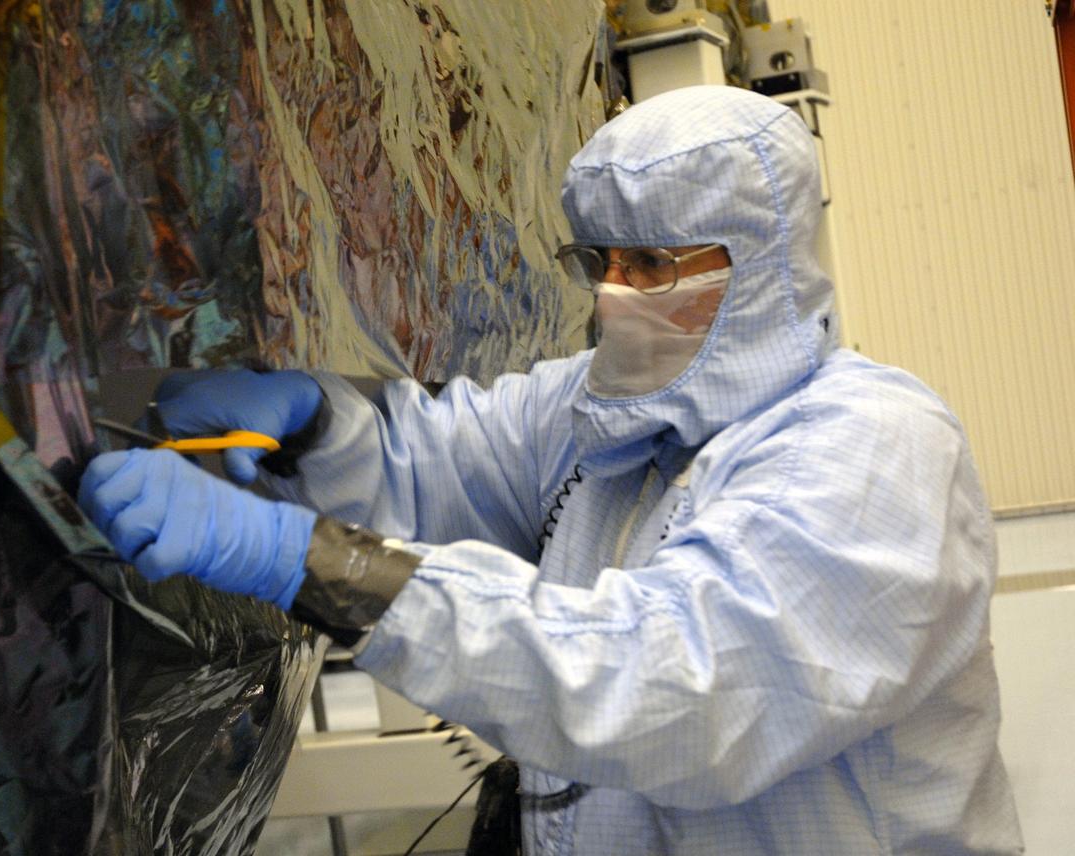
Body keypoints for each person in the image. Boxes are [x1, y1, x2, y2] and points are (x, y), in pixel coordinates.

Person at [79, 85, 1023, 854]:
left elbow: (670, 688)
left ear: (763, 265)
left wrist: (309, 558)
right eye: (600, 260)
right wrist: (316, 429)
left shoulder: (874, 450)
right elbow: (441, 463)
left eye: (654, 263)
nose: (617, 295)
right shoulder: (607, 412)